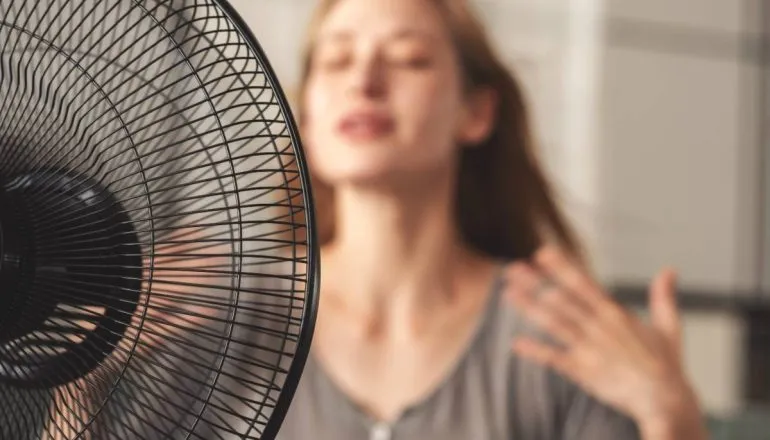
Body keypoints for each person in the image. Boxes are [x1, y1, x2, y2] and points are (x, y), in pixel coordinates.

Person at [277, 0, 710, 439]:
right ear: (306, 119)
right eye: (336, 61)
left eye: (410, 59)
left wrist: (670, 414)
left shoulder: (561, 337)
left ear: (476, 112)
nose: (362, 81)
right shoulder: (248, 318)